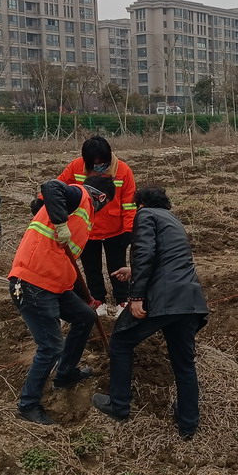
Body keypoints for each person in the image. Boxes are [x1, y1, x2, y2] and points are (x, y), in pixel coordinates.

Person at [92, 186, 209, 440]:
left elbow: (145, 253)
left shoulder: (145, 215)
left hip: (163, 298)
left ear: (141, 204)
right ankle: (188, 424)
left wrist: (135, 297)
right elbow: (168, 259)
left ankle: (119, 405)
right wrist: (133, 270)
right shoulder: (172, 220)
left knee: (120, 341)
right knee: (183, 364)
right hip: (189, 300)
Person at [9, 175, 116, 425]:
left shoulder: (82, 215)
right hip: (33, 282)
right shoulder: (80, 196)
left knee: (85, 316)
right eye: (106, 204)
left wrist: (85, 297)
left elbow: (66, 262)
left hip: (53, 284)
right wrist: (60, 223)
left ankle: (65, 374)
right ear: (101, 197)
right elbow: (51, 186)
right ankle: (28, 405)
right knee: (50, 347)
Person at [55, 136, 137, 318]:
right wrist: (41, 201)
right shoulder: (76, 167)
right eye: (94, 163)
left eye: (101, 162)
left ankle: (122, 300)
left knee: (118, 266)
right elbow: (58, 186)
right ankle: (98, 300)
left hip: (115, 230)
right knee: (91, 267)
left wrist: (129, 230)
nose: (98, 165)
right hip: (87, 229)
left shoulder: (123, 170)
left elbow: (129, 204)